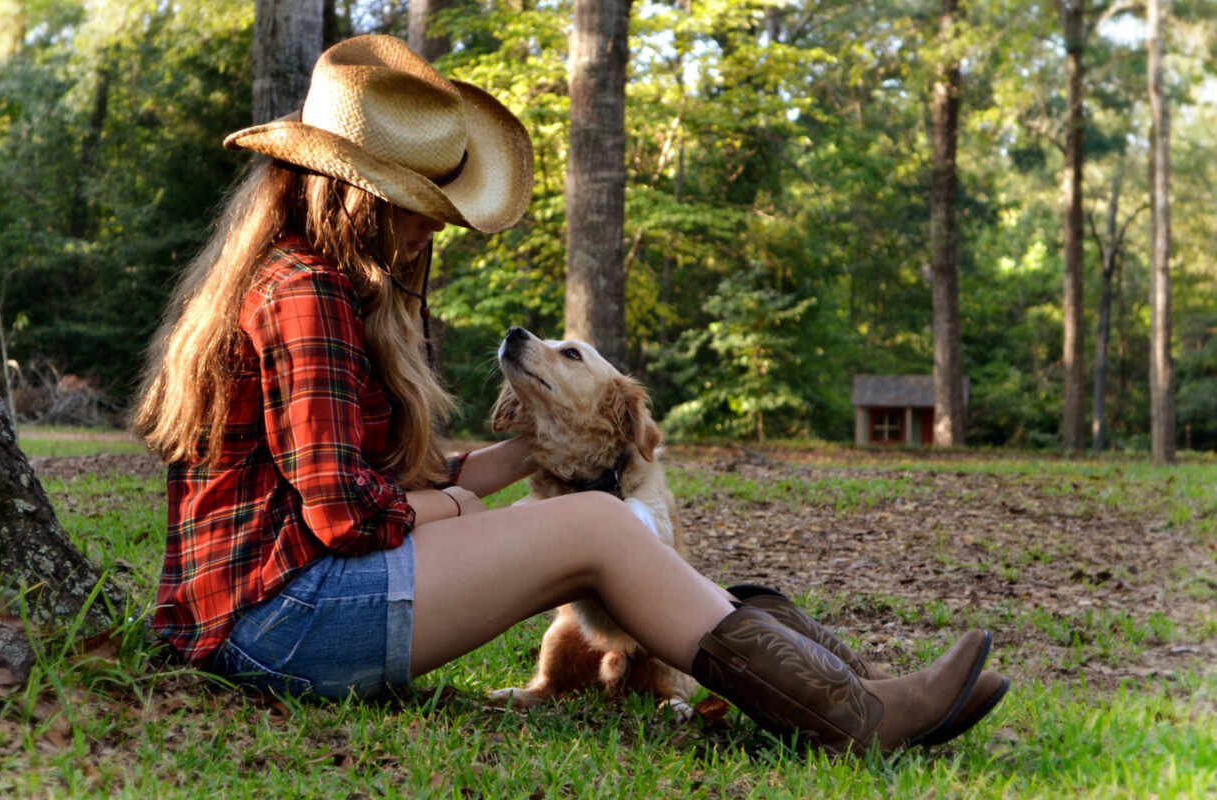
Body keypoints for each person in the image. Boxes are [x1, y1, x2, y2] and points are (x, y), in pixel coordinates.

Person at [132, 34, 1007, 757]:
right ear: (363, 199)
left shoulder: (301, 283)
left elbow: (363, 482)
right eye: (423, 205)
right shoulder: (306, 295)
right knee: (594, 526)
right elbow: (343, 515)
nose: (435, 226)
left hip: (267, 615)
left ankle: (855, 692)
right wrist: (462, 515)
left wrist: (510, 461)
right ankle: (858, 718)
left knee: (601, 528)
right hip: (276, 626)